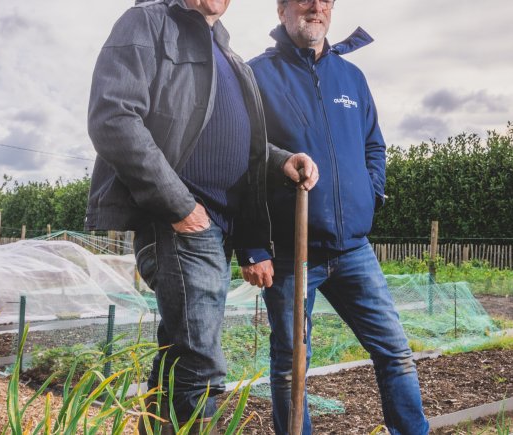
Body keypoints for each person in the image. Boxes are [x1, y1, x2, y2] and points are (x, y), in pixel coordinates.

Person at [85, 0, 318, 431]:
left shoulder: (227, 54)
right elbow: (113, 116)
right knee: (201, 368)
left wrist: (281, 160)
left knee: (179, 361)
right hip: (182, 223)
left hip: (215, 230)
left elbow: (242, 143)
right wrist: (180, 206)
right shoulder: (148, 22)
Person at [238, 0, 429, 433]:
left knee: (396, 353)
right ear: (282, 10)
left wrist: (370, 195)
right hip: (291, 253)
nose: (316, 6)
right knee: (291, 367)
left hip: (353, 249)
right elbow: (242, 158)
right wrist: (251, 245)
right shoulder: (256, 76)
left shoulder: (351, 77)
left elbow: (374, 145)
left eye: (325, 0)